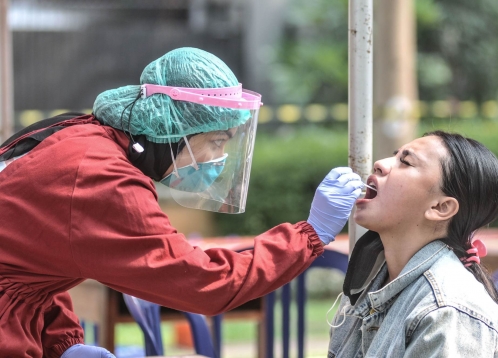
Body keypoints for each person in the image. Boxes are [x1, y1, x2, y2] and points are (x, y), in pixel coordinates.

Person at [0, 48, 366, 357]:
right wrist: (308, 235)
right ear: (177, 129)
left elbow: (36, 265)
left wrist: (62, 344)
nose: (219, 159)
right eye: (218, 141)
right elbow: (206, 282)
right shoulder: (102, 178)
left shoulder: (85, 139)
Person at [326, 131, 498, 357]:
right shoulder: (364, 285)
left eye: (405, 162)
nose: (379, 164)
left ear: (440, 208)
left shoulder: (449, 311)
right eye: (395, 156)